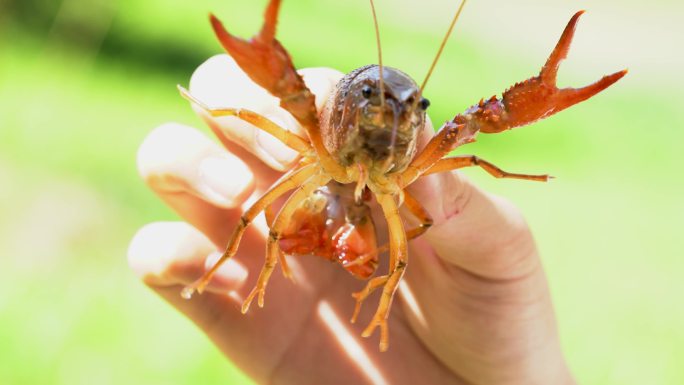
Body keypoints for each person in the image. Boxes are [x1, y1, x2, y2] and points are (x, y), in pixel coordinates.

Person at [128, 55, 576, 385]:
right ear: (349, 104)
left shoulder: (420, 173)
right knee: (255, 212)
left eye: (408, 111)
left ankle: (376, 313)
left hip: (371, 204)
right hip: (321, 173)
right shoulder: (317, 134)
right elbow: (252, 117)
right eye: (372, 101)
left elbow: (472, 158)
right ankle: (271, 276)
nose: (389, 119)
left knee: (397, 258)